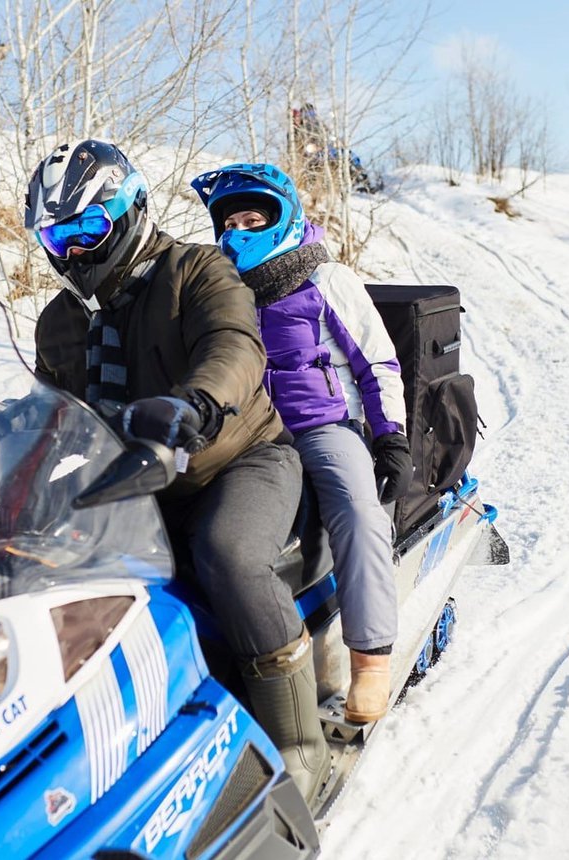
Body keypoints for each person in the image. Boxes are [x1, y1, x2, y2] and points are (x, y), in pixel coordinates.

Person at [11, 140, 330, 801]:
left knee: (227, 553)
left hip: (238, 458)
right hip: (138, 475)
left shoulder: (198, 271)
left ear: (128, 212)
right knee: (41, 558)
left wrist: (195, 402)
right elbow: (52, 411)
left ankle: (298, 746)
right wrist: (9, 424)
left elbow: (233, 347)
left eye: (86, 228)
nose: (71, 251)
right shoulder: (60, 322)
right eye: (55, 234)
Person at [191, 162, 414, 724]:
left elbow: (377, 361)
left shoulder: (325, 279)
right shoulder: (222, 291)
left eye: (252, 218)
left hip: (321, 428)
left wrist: (391, 437)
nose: (239, 231)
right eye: (230, 222)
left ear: (280, 218)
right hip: (250, 438)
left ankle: (370, 660)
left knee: (358, 513)